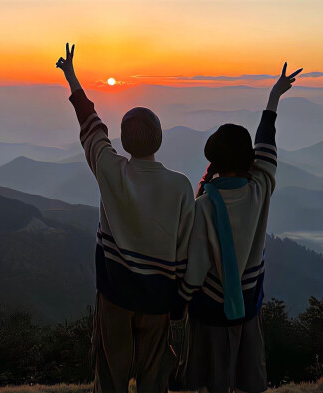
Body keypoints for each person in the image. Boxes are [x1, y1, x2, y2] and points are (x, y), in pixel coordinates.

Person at [56, 43, 195, 393]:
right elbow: (184, 249)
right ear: (160, 139)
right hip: (158, 300)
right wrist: (179, 302)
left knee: (111, 376)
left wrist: (71, 75)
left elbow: (91, 125)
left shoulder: (110, 170)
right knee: (153, 377)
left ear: (125, 140)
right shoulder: (181, 187)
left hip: (114, 295)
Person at [177, 63, 303, 393]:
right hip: (248, 303)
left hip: (212, 308)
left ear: (213, 161)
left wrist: (181, 298)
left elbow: (198, 263)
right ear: (248, 159)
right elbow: (266, 146)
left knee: (215, 376)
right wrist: (273, 98)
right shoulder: (259, 188)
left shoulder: (204, 204)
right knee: (247, 374)